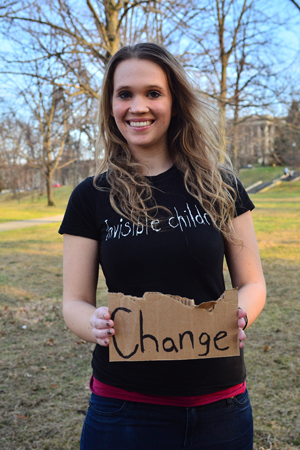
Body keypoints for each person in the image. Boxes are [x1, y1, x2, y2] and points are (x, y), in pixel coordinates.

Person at [59, 43, 266, 450]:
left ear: (174, 101)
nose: (138, 106)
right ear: (111, 104)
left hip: (220, 408)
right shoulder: (90, 196)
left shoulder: (221, 186)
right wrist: (94, 324)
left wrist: (241, 315)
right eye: (125, 94)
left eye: (153, 93)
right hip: (125, 411)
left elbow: (253, 282)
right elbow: (74, 302)